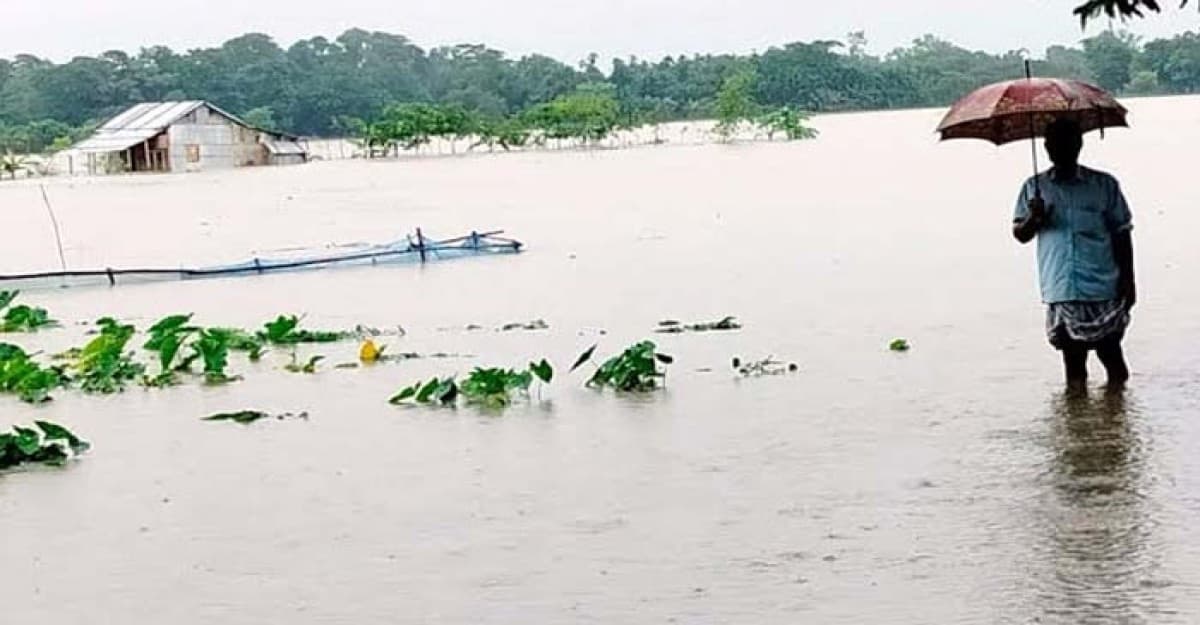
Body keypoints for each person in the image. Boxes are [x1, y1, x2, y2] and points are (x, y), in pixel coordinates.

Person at [1013, 117, 1136, 390]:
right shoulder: (1035, 188)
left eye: (1065, 143)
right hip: (1062, 286)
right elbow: (1020, 234)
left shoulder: (1104, 185)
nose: (1058, 149)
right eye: (1052, 144)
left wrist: (1129, 282)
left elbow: (1122, 234)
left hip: (1102, 285)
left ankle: (1113, 420)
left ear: (1078, 144)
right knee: (1074, 367)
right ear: (1045, 147)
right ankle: (1080, 424)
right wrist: (1035, 218)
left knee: (1112, 359)